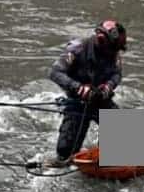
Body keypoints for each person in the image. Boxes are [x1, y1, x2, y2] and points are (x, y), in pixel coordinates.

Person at [46, 19, 127, 167]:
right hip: (78, 102)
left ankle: (107, 154)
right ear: (101, 40)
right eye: (113, 48)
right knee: (64, 154)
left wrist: (108, 87)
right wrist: (78, 87)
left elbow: (117, 75)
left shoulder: (114, 52)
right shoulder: (77, 49)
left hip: (100, 99)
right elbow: (55, 72)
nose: (115, 53)